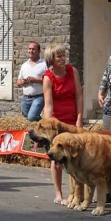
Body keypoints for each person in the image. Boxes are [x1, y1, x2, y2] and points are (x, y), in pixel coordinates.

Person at [42, 44, 83, 204]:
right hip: (58, 121)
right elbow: (48, 104)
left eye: (63, 55)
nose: (63, 58)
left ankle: (77, 193)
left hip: (72, 119)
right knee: (57, 159)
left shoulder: (72, 71)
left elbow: (79, 95)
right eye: (59, 56)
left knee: (76, 156)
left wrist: (79, 118)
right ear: (51, 59)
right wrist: (50, 126)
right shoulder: (47, 78)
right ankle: (59, 193)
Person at [16, 42, 47, 121]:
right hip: (25, 97)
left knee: (32, 117)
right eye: (29, 49)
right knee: (26, 119)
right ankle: (39, 128)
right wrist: (21, 82)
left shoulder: (44, 64)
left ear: (39, 51)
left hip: (39, 97)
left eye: (33, 49)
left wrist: (36, 80)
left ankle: (44, 125)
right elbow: (18, 81)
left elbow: (50, 80)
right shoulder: (24, 65)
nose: (31, 51)